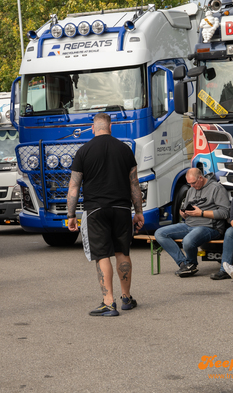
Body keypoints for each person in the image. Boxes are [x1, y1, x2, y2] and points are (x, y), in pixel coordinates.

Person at [67, 113, 144, 316]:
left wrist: (71, 214)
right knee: (122, 252)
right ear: (111, 127)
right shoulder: (124, 150)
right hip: (121, 209)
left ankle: (109, 303)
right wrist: (138, 212)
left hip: (96, 210)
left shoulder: (83, 151)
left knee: (102, 256)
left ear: (93, 128)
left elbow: (73, 187)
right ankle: (126, 298)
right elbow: (134, 184)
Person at [154, 168, 230, 277]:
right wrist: (183, 213)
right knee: (160, 233)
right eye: (189, 184)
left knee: (188, 240)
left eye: (193, 183)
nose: (192, 186)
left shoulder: (216, 188)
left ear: (200, 178)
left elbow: (225, 213)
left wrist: (201, 213)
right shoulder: (191, 190)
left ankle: (191, 263)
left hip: (210, 227)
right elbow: (186, 208)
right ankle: (184, 264)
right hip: (189, 225)